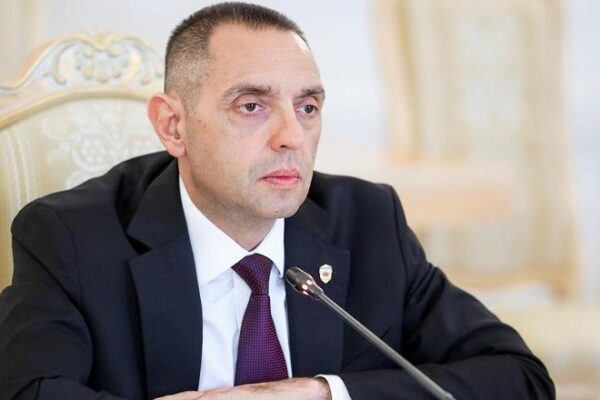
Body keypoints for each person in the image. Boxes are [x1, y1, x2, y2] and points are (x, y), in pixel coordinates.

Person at [0, 2, 554, 400]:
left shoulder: (367, 222)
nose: (292, 136)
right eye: (252, 106)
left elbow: (518, 378)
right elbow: (28, 390)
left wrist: (320, 393)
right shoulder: (71, 237)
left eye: (308, 107)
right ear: (173, 125)